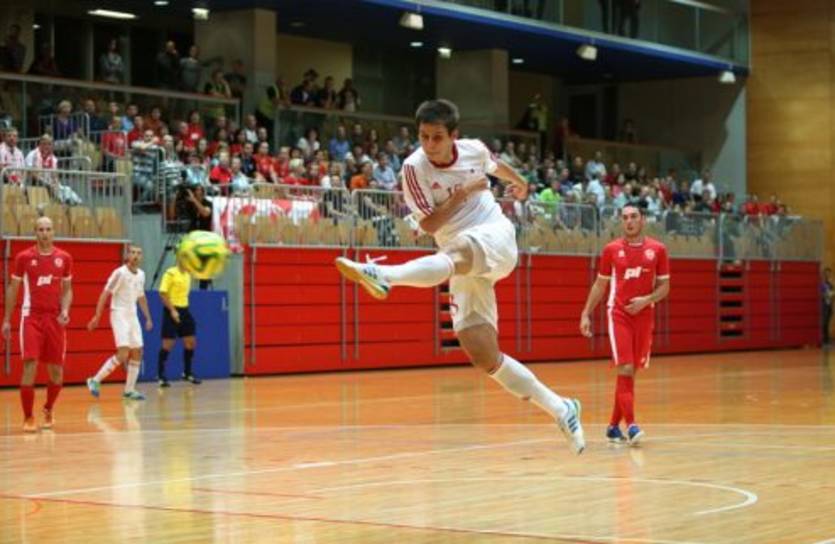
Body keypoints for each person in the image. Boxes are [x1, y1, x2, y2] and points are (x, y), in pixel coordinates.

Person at [334, 99, 585, 454]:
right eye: (423, 136)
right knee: (483, 354)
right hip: (456, 253)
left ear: (454, 135)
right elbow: (430, 224)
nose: (429, 144)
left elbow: (495, 165)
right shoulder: (413, 168)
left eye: (437, 137)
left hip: (494, 236)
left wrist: (519, 181)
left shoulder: (473, 150)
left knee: (457, 251)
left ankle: (384, 274)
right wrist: (464, 192)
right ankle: (561, 408)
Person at [579, 204, 670, 446]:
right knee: (626, 369)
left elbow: (664, 287)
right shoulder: (611, 250)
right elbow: (600, 285)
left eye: (633, 217)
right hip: (619, 314)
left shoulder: (658, 250)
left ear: (643, 220)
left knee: (630, 374)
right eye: (625, 217)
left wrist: (646, 300)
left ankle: (612, 427)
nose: (629, 221)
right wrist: (585, 313)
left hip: (644, 316)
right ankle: (631, 426)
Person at [2, 217, 73, 433]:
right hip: (31, 317)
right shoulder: (24, 257)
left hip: (54, 319)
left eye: (48, 229)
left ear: (54, 232)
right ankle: (28, 417)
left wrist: (65, 310)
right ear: (35, 232)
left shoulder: (64, 258)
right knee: (30, 365)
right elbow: (13, 289)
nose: (45, 233)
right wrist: (7, 319)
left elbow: (68, 289)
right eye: (41, 229)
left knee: (56, 373)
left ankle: (48, 408)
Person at [86, 245, 153, 400]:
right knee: (123, 354)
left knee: (137, 352)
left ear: (141, 257)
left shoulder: (141, 275)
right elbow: (105, 294)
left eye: (139, 253)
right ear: (127, 255)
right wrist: (97, 316)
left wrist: (148, 317)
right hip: (119, 314)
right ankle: (94, 380)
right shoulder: (120, 273)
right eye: (133, 252)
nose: (135, 255)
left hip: (132, 315)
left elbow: (141, 297)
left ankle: (129, 390)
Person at [157, 254, 201, 387]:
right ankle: (161, 376)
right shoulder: (170, 273)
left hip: (184, 310)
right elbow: (162, 293)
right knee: (168, 344)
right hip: (171, 310)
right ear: (178, 259)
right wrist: (172, 310)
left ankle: (187, 373)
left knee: (191, 342)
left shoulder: (188, 275)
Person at [823, 267, 834, 346]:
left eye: (829, 273)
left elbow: (832, 295)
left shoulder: (831, 284)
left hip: (829, 305)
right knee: (824, 322)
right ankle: (825, 339)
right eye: (826, 273)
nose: (828, 275)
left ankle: (826, 339)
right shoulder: (822, 283)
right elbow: (823, 294)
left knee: (827, 322)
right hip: (824, 306)